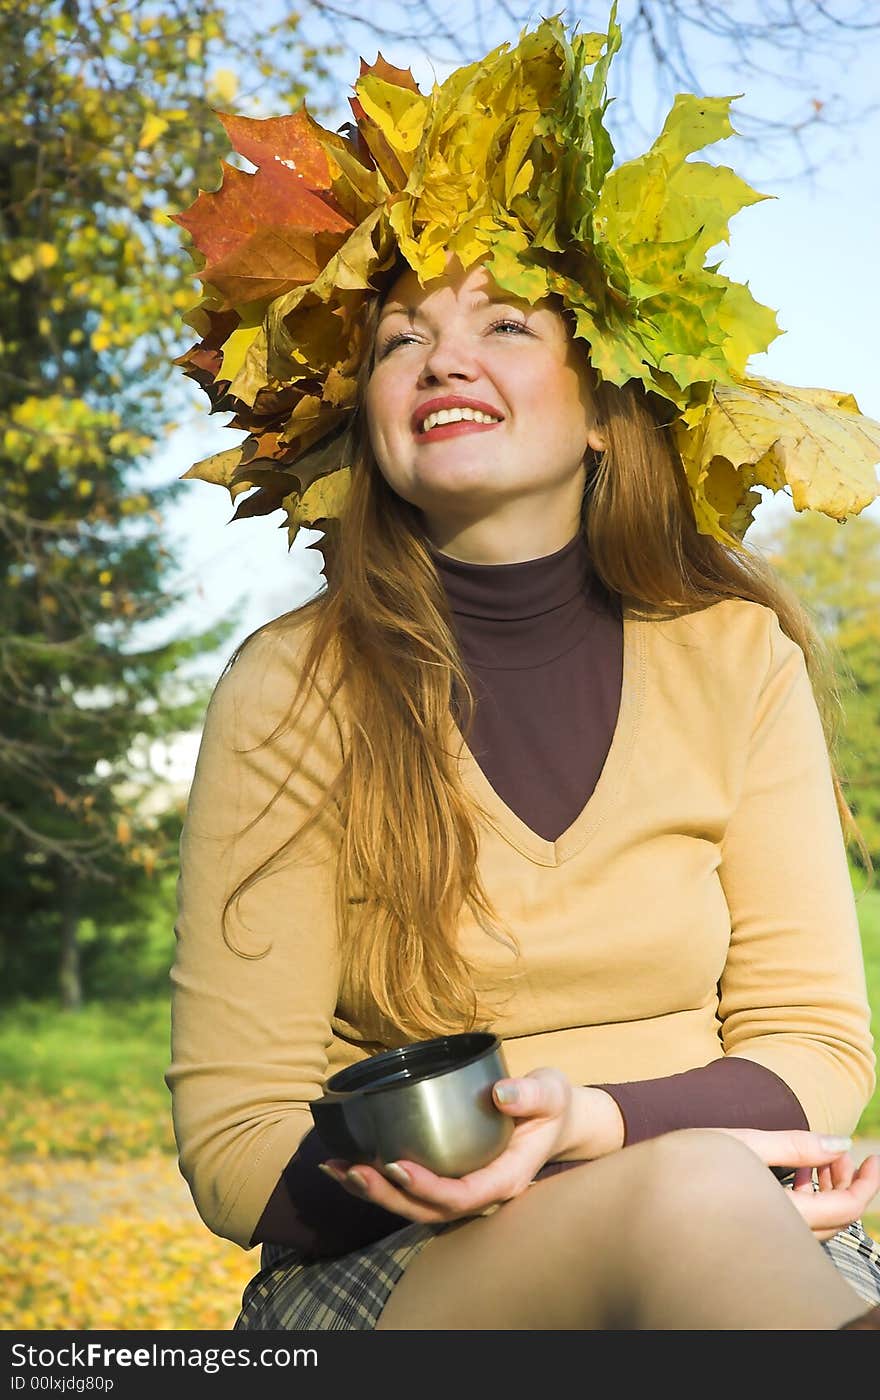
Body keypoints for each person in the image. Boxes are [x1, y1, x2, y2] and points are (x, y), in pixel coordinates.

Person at [165, 7, 880, 1330]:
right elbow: (237, 1140)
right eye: (398, 339)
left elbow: (818, 1045)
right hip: (400, 1276)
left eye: (506, 326)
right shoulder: (291, 687)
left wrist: (605, 1128)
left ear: (608, 404)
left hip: (727, 1218)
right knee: (693, 1197)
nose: (442, 355)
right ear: (366, 425)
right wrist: (513, 1163)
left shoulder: (739, 660)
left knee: (700, 1205)